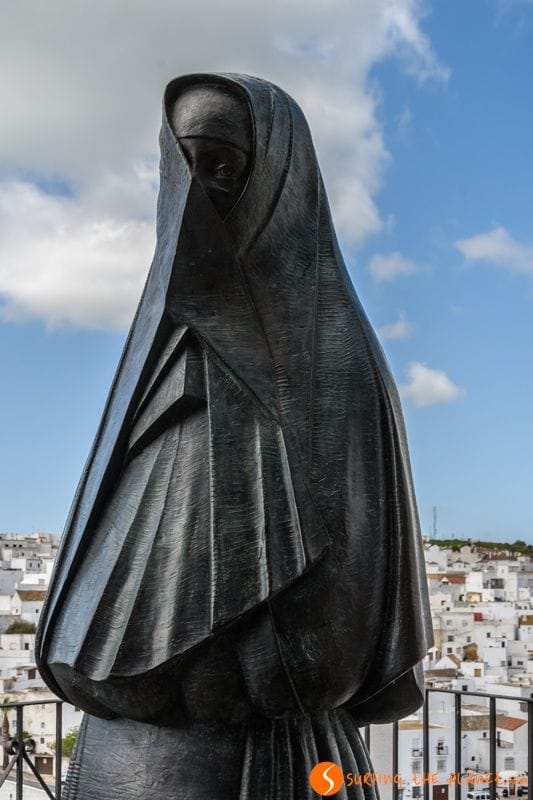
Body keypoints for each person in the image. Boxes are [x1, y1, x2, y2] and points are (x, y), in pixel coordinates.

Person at [36, 74, 433, 799]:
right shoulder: (159, 346)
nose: (197, 194)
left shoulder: (335, 357)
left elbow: (338, 629)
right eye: (183, 166)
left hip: (269, 762)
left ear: (278, 180)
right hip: (120, 757)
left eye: (221, 167)